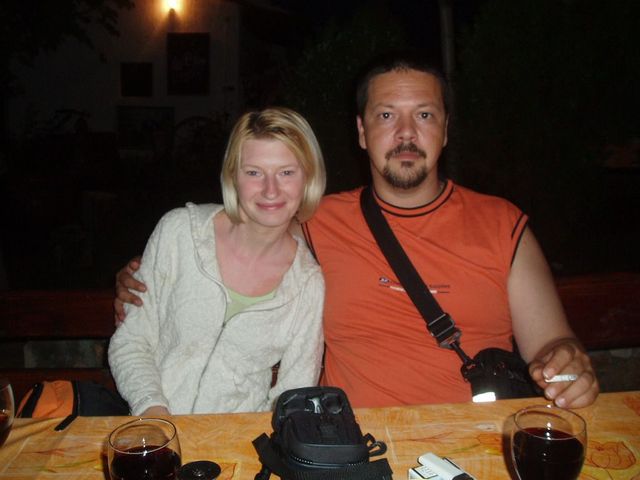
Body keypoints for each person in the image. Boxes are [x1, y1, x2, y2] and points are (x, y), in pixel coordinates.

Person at [115, 53, 599, 409]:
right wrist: (149, 277)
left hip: (474, 437)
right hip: (354, 446)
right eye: (387, 115)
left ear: (446, 129)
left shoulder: (502, 224)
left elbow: (553, 344)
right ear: (363, 132)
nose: (406, 133)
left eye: (424, 115)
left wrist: (568, 363)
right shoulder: (316, 220)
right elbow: (235, 240)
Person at [109, 107, 326, 416]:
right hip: (153, 424)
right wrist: (152, 410)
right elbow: (131, 340)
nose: (271, 190)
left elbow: (294, 394)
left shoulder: (307, 282)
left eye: (286, 173)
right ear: (233, 176)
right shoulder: (179, 232)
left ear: (308, 178)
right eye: (254, 172)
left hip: (237, 439)